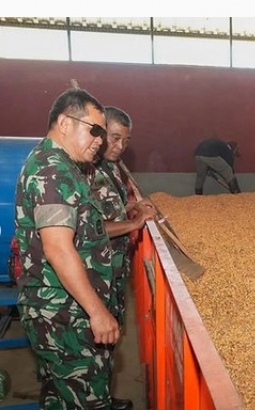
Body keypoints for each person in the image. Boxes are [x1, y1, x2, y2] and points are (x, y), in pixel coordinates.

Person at [15, 88, 119, 409]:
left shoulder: (60, 164)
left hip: (60, 311)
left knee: (61, 398)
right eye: (94, 130)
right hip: (65, 316)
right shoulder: (52, 171)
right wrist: (97, 311)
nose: (100, 140)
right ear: (64, 123)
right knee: (87, 399)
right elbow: (58, 249)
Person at [91, 106, 157, 410]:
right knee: (87, 351)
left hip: (112, 271)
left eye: (125, 141)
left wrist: (135, 208)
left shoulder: (111, 169)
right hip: (92, 274)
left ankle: (101, 397)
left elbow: (113, 211)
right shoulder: (84, 171)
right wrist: (133, 223)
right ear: (100, 133)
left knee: (105, 346)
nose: (119, 146)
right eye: (114, 138)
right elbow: (88, 229)